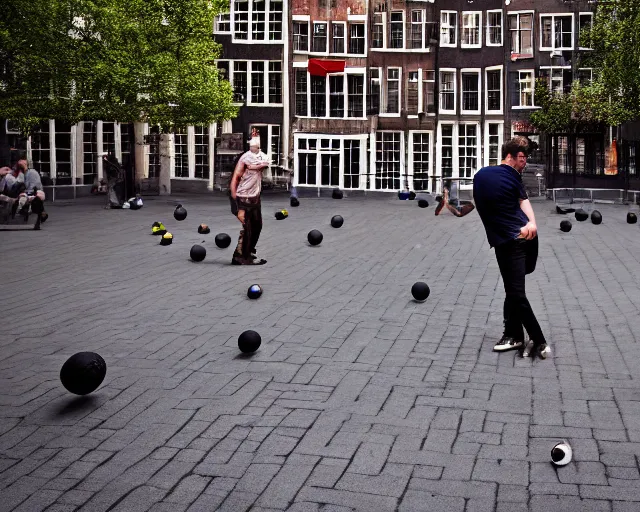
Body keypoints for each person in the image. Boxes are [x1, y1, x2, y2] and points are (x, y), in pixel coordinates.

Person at [473, 138, 550, 359]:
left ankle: (535, 339)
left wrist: (532, 225)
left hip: (516, 240)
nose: (525, 162)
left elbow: (523, 203)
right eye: (522, 158)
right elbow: (520, 204)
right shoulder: (493, 175)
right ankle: (515, 335)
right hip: (514, 240)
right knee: (513, 290)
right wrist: (532, 225)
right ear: (510, 157)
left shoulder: (498, 176)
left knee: (514, 291)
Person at [228, 137, 270, 265]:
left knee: (257, 225)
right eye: (252, 146)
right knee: (248, 227)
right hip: (244, 197)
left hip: (255, 197)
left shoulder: (261, 157)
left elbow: (264, 164)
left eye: (256, 146)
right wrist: (235, 198)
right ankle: (241, 257)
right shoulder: (245, 159)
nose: (254, 148)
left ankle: (249, 251)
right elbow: (236, 177)